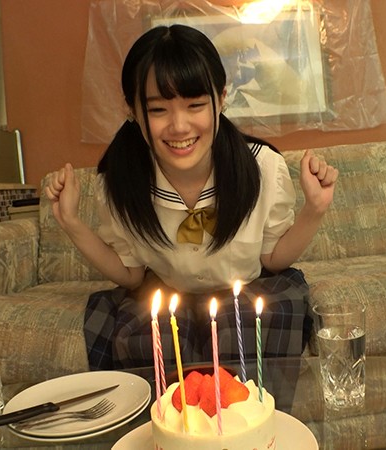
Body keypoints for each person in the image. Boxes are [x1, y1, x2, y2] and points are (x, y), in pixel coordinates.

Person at [45, 24, 338, 371]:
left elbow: (273, 259)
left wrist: (314, 209)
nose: (179, 126)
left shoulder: (263, 168)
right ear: (132, 109)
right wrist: (72, 223)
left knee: (252, 325)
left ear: (221, 98)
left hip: (246, 292)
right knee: (148, 339)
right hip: (169, 298)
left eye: (195, 105)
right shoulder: (119, 184)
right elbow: (131, 275)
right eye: (158, 110)